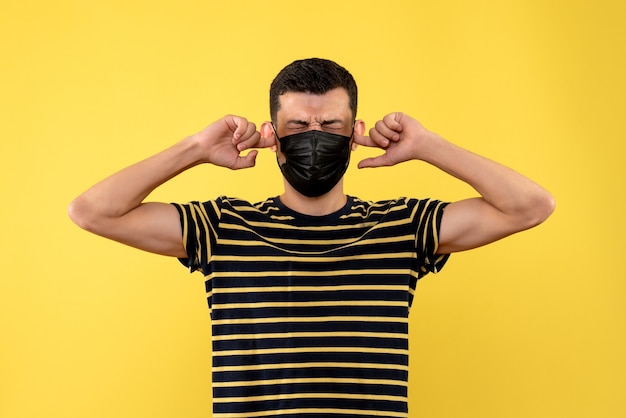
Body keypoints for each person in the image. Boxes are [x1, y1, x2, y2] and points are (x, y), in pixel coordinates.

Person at [69, 58, 554, 418]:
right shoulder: (222, 228)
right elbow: (92, 211)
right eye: (298, 125)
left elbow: (530, 206)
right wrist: (196, 148)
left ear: (353, 133)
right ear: (272, 136)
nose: (315, 136)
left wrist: (427, 145)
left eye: (330, 125)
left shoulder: (402, 227)